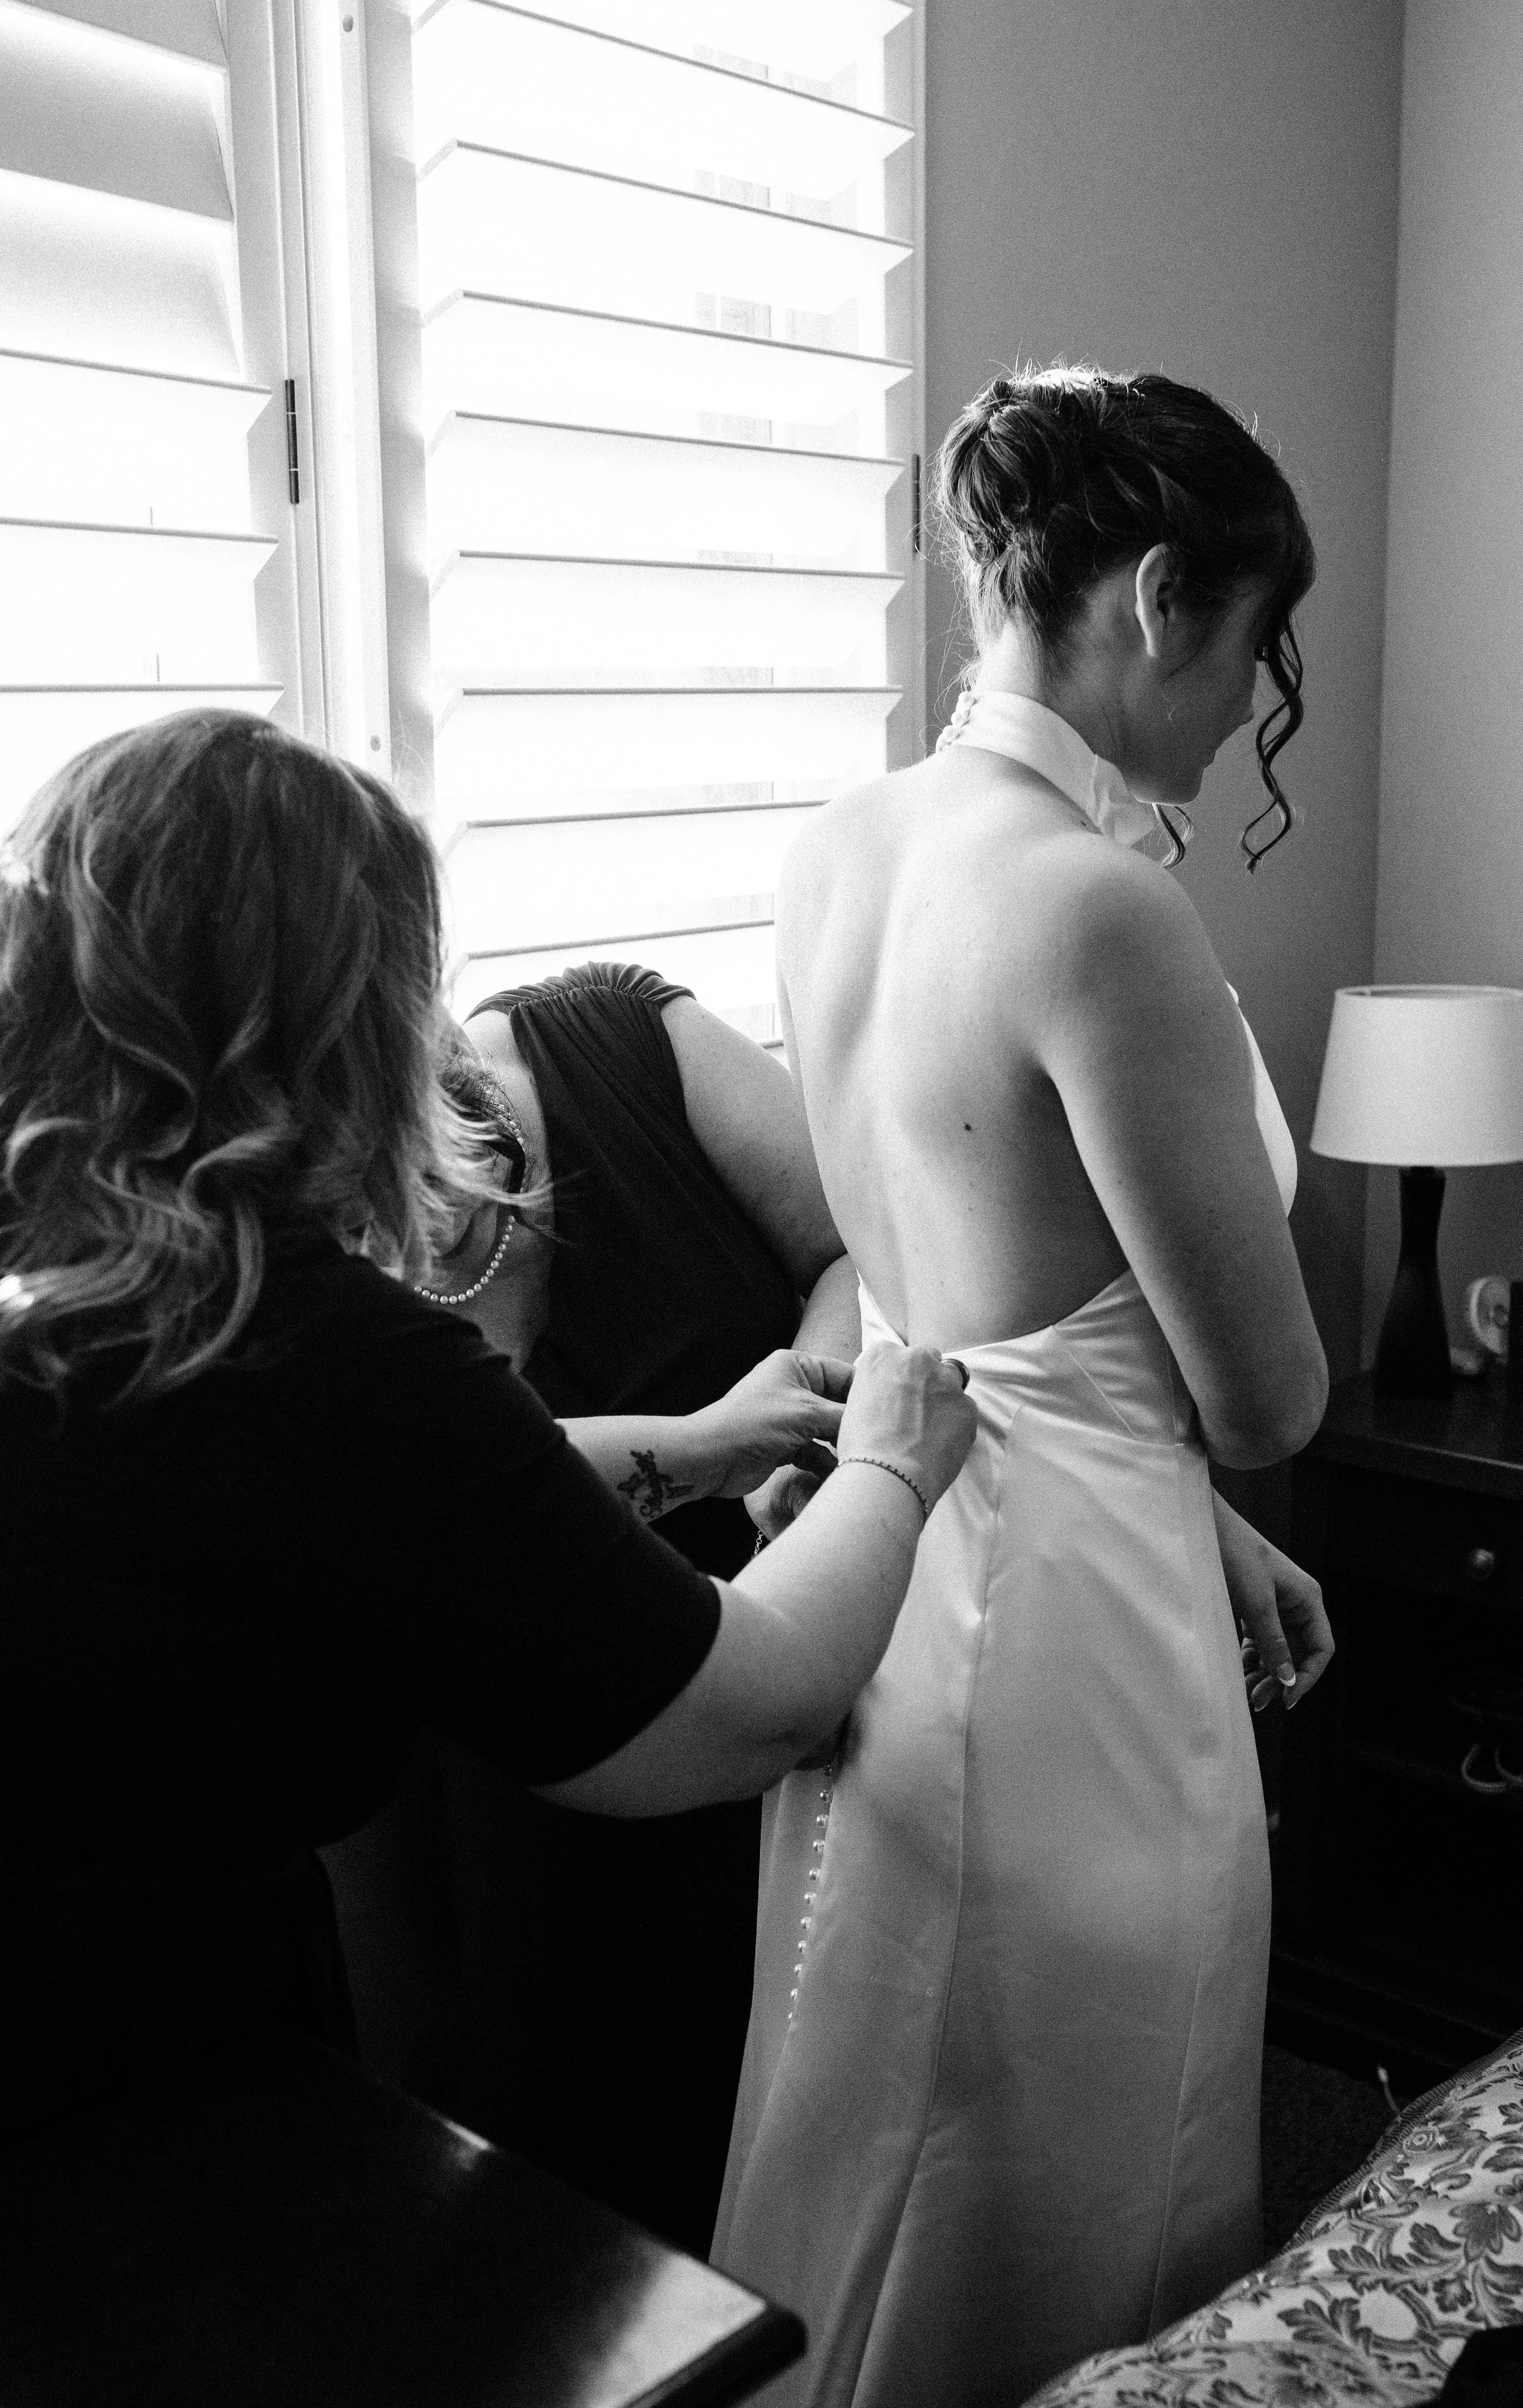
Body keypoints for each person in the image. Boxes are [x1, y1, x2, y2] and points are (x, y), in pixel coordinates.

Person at [0, 708, 975, 2172]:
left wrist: (685, 1448)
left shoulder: (19, 1273)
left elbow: (390, 1510)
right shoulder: (294, 1333)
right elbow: (746, 1709)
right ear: (340, 1020)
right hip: (128, 2104)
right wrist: (888, 1455)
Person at [713, 367, 1337, 2407]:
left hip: (888, 1585)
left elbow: (958, 1308)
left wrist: (1199, 1508)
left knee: (887, 2095)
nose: (1251, 709)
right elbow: (1266, 1399)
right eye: (1256, 649)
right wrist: (1213, 1482)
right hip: (1084, 1653)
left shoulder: (843, 848)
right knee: (1092, 2156)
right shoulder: (1099, 912)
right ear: (1161, 596)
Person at [327, 962, 861, 2254]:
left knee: (772, 2118)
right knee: (544, 2191)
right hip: (486, 1770)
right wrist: (701, 1438)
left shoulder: (627, 1040)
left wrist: (812, 1418)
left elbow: (849, 1251)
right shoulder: (270, 1236)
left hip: (751, 1657)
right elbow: (409, 1484)